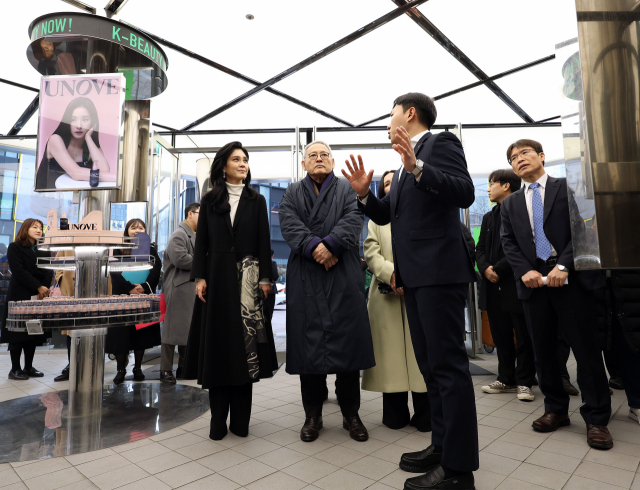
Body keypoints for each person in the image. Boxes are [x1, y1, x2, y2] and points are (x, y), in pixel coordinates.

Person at [342, 92, 478, 490]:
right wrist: (365, 195)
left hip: (439, 274)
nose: (387, 122)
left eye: (391, 114)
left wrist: (418, 167)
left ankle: (458, 470)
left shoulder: (440, 144)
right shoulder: (401, 167)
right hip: (415, 278)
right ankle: (441, 445)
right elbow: (389, 215)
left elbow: (464, 192)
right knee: (432, 369)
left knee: (449, 370)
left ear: (410, 114)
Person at [500, 139, 612, 449]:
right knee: (544, 352)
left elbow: (586, 227)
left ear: (541, 156)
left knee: (586, 350)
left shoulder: (569, 188)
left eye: (525, 153)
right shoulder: (509, 204)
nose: (519, 160)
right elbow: (508, 242)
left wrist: (563, 265)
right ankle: (555, 410)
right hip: (534, 285)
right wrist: (526, 271)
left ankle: (597, 417)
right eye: (513, 158)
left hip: (570, 279)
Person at [279, 140, 374, 443]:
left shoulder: (347, 189)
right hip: (307, 273)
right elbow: (288, 222)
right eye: (312, 155)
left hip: (342, 271)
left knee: (347, 344)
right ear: (304, 163)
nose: (318, 159)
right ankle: (312, 415)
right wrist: (314, 248)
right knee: (309, 347)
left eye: (324, 155)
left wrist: (331, 245)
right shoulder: (293, 191)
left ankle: (351, 414)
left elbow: (354, 219)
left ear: (332, 162)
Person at [184, 141, 277, 441]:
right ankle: (217, 420)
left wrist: (265, 279)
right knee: (219, 348)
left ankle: (240, 420)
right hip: (218, 279)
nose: (243, 163)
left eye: (245, 160)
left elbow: (264, 242)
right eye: (236, 159)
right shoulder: (210, 200)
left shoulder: (257, 199)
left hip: (250, 285)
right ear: (223, 165)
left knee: (246, 350)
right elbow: (203, 243)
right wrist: (199, 277)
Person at [361, 169, 431, 432]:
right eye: (387, 183)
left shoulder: (422, 211)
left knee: (420, 354)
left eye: (397, 181)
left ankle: (427, 415)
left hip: (418, 292)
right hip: (386, 294)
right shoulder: (376, 220)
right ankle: (395, 414)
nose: (392, 187)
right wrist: (392, 275)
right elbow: (370, 251)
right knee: (389, 357)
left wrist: (409, 276)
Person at [477, 169, 536, 401]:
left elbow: (522, 247)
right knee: (501, 335)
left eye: (492, 183)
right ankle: (505, 378)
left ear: (506, 186)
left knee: (523, 335)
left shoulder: (522, 211)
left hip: (514, 282)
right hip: (492, 285)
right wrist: (484, 268)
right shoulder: (489, 216)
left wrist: (497, 269)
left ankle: (525, 382)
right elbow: (479, 248)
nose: (489, 188)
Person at [105, 219, 162, 385]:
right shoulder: (118, 247)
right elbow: (114, 270)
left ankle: (138, 368)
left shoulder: (151, 249)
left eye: (141, 227)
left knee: (141, 334)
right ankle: (120, 370)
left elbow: (156, 269)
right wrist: (129, 288)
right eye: (133, 227)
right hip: (122, 297)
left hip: (142, 296)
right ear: (127, 231)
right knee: (120, 336)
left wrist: (144, 286)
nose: (137, 230)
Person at [0, 219, 53, 380]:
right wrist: (38, 286)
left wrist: (43, 289)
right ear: (25, 229)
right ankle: (15, 368)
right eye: (34, 227)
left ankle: (28, 367)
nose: (38, 230)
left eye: (40, 228)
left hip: (38, 296)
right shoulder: (15, 247)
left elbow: (48, 270)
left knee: (33, 331)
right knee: (17, 332)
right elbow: (19, 271)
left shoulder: (43, 249)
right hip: (19, 294)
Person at [36, 97, 117, 190]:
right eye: (73, 119)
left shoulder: (90, 148)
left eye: (85, 120)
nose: (79, 126)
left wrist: (88, 138)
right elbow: (76, 173)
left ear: (93, 122)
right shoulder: (55, 140)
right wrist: (117, 179)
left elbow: (104, 171)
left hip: (73, 199)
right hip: (47, 198)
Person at [160, 202, 199, 384]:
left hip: (188, 288)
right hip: (178, 287)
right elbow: (180, 259)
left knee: (186, 330)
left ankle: (184, 367)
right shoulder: (179, 234)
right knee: (172, 331)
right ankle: (165, 370)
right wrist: (205, 260)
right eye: (201, 213)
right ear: (190, 214)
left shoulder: (192, 234)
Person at [53, 249, 75, 382]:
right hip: (70, 289)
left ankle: (91, 364)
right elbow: (57, 264)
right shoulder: (68, 240)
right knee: (71, 329)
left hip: (94, 290)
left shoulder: (99, 236)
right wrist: (61, 279)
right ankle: (71, 365)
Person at [262, 250, 278, 326]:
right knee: (269, 312)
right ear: (272, 256)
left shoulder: (259, 263)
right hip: (270, 291)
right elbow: (275, 276)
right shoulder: (272, 263)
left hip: (260, 290)